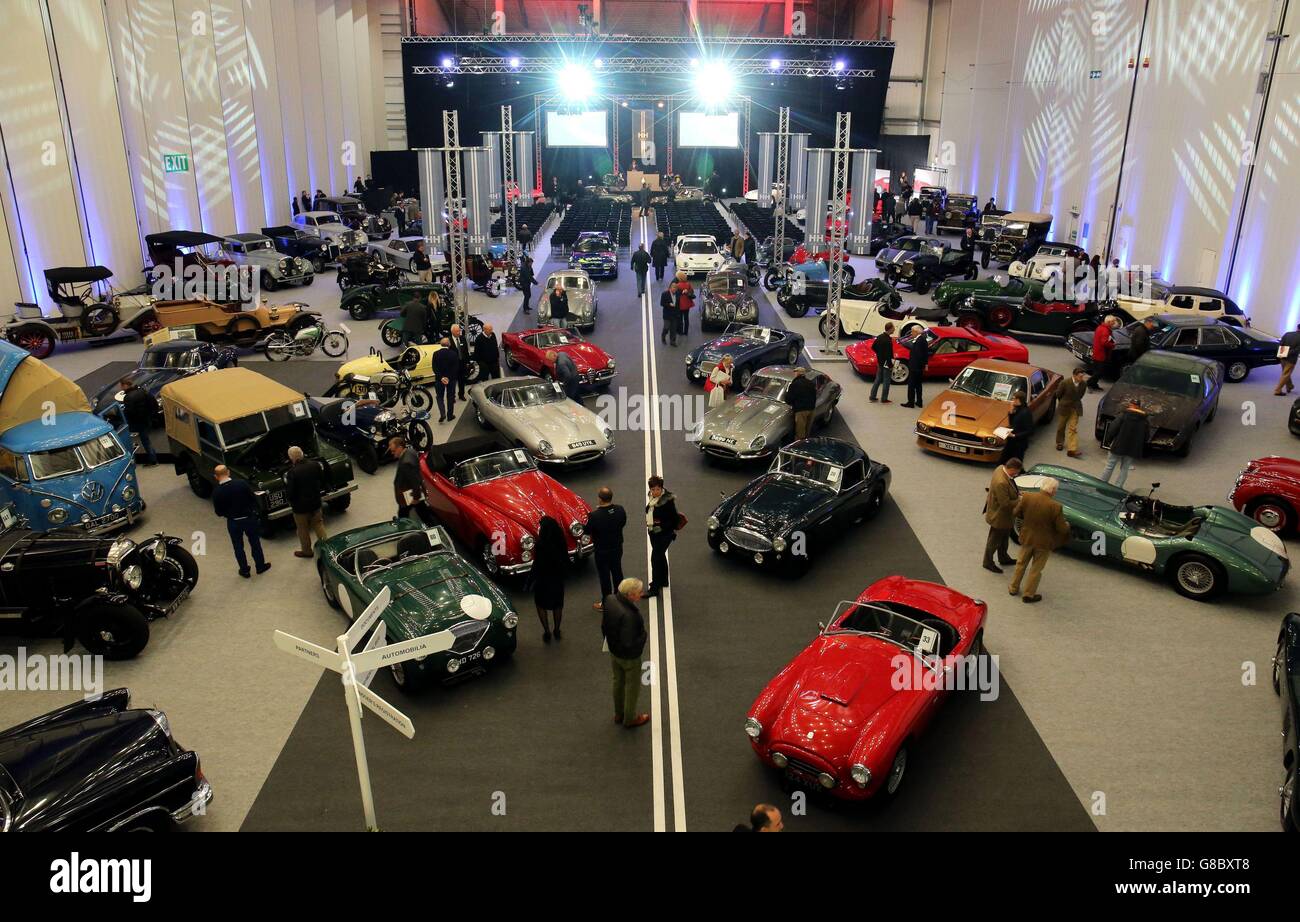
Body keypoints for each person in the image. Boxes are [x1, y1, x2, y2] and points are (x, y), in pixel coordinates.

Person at [1009, 478, 1070, 604]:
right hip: (1044, 543)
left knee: (1021, 563)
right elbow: (1062, 529)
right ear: (1053, 490)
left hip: (1027, 537)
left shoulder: (1027, 497)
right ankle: (1028, 594)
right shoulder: (1056, 507)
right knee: (1036, 569)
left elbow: (1016, 512)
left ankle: (1013, 588)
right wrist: (1067, 525)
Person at [602, 577, 650, 729]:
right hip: (629, 658)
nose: (641, 594)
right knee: (632, 687)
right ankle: (630, 718)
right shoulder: (630, 615)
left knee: (618, 682)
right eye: (638, 592)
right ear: (630, 595)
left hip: (614, 651)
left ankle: (619, 713)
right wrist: (643, 637)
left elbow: (604, 625)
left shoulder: (609, 599)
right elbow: (629, 643)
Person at [212, 464, 270, 578]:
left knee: (238, 546)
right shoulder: (241, 484)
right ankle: (260, 566)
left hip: (233, 522)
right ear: (228, 472)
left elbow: (219, 512)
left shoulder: (217, 492)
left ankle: (244, 570)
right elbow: (253, 499)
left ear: (216, 477)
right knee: (255, 543)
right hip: (248, 518)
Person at [587, 487, 626, 611]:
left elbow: (587, 530)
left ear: (600, 499)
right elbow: (623, 522)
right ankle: (621, 599)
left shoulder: (594, 515)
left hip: (602, 550)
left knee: (605, 577)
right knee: (617, 573)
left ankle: (607, 603)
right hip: (617, 547)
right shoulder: (620, 509)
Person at [284, 446, 326, 559]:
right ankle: (326, 546)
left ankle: (307, 551)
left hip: (300, 508)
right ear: (302, 453)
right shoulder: (315, 465)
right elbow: (321, 479)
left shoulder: (292, 472)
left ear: (291, 458)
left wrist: (290, 500)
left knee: (302, 529)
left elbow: (290, 491)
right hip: (315, 502)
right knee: (319, 524)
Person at [530, 516, 568, 642]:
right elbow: (565, 560)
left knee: (540, 605)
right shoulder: (560, 542)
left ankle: (547, 632)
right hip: (557, 579)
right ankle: (557, 630)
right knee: (558, 605)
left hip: (542, 580)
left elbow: (537, 563)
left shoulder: (540, 544)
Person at [982, 457, 1021, 574]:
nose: (1016, 474)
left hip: (1003, 517)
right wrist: (1020, 500)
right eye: (1016, 472)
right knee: (994, 541)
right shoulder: (1001, 482)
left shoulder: (1000, 468)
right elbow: (1005, 504)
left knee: (1004, 538)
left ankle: (1003, 557)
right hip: (999, 517)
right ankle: (988, 562)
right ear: (1012, 469)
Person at [1100, 398, 1147, 489]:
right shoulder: (1144, 420)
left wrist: (1108, 440)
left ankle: (1102, 484)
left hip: (1118, 445)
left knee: (1110, 465)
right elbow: (1146, 436)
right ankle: (1118, 488)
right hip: (1132, 449)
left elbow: (1113, 429)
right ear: (1139, 407)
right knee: (1125, 468)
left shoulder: (1123, 415)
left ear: (1130, 405)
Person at [389, 436, 434, 525]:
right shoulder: (411, 451)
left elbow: (414, 480)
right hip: (414, 491)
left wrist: (416, 497)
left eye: (393, 451)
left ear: (400, 448)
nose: (392, 453)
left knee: (404, 513)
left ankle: (403, 526)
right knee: (422, 511)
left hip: (409, 494)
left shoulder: (406, 463)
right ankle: (431, 524)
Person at [645, 475, 678, 597]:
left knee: (655, 559)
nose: (655, 492)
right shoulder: (652, 497)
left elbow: (674, 519)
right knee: (660, 556)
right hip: (653, 532)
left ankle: (654, 588)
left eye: (657, 489)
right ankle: (663, 580)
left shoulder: (667, 501)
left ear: (662, 488)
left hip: (663, 535)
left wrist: (661, 526)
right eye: (653, 489)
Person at [119, 378, 159, 465]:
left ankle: (152, 460)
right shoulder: (142, 391)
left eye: (121, 386)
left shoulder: (128, 397)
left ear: (125, 385)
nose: (121, 388)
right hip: (146, 419)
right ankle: (153, 458)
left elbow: (129, 412)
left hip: (137, 422)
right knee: (146, 440)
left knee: (143, 440)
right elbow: (153, 403)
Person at [1056, 367, 1089, 458]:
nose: (1081, 378)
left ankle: (1072, 450)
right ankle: (1059, 442)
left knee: (1073, 428)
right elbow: (1058, 394)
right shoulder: (1065, 383)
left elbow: (1080, 396)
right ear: (1074, 375)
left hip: (1075, 408)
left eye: (1082, 376)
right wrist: (1064, 402)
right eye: (1080, 376)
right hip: (1064, 407)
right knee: (1061, 426)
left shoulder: (1083, 384)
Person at [780, 366, 816, 440]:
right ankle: (807, 442)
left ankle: (799, 445)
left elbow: (789, 399)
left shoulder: (795, 384)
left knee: (800, 432)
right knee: (807, 430)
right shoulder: (811, 383)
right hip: (811, 409)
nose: (794, 374)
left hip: (801, 411)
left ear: (798, 373)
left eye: (795, 372)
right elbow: (814, 395)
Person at [1087, 315, 1121, 390]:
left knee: (1097, 371)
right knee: (1100, 372)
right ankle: (1090, 383)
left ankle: (1093, 384)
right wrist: (1112, 345)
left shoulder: (1100, 327)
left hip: (1097, 353)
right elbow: (1104, 342)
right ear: (1109, 322)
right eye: (1113, 322)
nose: (1115, 323)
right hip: (1101, 354)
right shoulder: (1105, 330)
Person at [1000, 391, 1034, 464]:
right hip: (1011, 442)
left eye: (1014, 399)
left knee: (1016, 464)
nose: (1012, 401)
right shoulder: (1017, 409)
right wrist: (1011, 413)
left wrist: (1014, 435)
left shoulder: (1025, 413)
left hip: (1019, 444)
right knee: (1003, 461)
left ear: (1018, 400)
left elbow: (1030, 431)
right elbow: (1012, 424)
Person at [432, 336, 460, 422]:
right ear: (449, 344)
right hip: (451, 379)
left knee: (439, 397)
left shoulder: (435, 354)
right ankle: (450, 416)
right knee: (450, 397)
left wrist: (441, 378)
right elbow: (455, 368)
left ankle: (442, 413)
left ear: (441, 344)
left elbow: (434, 368)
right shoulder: (453, 354)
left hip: (439, 379)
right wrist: (448, 378)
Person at [901, 330, 929, 408]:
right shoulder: (923, 339)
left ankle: (911, 402)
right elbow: (925, 353)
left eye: (912, 332)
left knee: (911, 385)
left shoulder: (919, 341)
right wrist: (925, 364)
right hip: (919, 367)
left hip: (915, 366)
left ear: (917, 332)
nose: (911, 333)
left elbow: (917, 354)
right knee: (918, 385)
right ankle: (919, 402)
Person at [869, 323, 895, 403]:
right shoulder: (888, 340)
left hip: (880, 362)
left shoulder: (880, 337)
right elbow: (888, 355)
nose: (894, 329)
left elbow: (873, 347)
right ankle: (884, 398)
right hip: (886, 363)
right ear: (890, 329)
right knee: (886, 381)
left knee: (878, 379)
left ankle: (872, 396)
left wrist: (879, 354)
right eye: (893, 328)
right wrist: (890, 365)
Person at [1275, 323, 1300, 395]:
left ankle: (1289, 386)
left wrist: (1282, 353)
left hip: (1282, 356)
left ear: (1297, 327)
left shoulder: (1287, 334)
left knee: (1285, 372)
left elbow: (1280, 343)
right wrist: (1288, 353)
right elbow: (1297, 350)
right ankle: (1277, 391)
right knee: (1286, 374)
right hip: (1291, 359)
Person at [449, 323, 471, 400]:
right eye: (457, 331)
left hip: (462, 364)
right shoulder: (448, 341)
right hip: (453, 366)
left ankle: (461, 395)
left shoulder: (462, 338)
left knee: (462, 381)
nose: (459, 332)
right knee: (452, 383)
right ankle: (452, 397)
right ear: (452, 332)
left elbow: (466, 351)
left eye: (459, 331)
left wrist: (468, 362)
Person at [673, 272, 695, 338]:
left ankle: (680, 332)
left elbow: (674, 293)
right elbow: (692, 291)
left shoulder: (677, 285)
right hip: (687, 303)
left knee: (680, 319)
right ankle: (686, 332)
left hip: (680, 304)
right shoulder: (688, 284)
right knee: (686, 318)